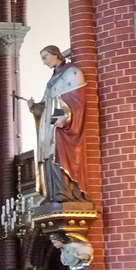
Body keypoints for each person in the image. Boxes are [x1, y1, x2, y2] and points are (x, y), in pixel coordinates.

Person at [32, 46, 90, 202]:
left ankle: (64, 193)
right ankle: (53, 193)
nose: (44, 62)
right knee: (48, 156)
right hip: (49, 123)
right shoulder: (52, 80)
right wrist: (34, 107)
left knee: (59, 153)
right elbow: (45, 105)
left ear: (55, 55)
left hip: (61, 123)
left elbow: (77, 102)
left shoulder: (71, 73)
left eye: (45, 57)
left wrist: (66, 117)